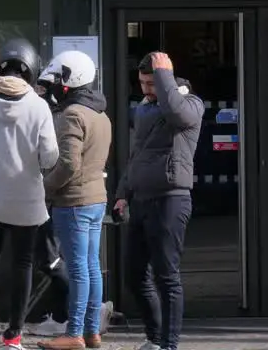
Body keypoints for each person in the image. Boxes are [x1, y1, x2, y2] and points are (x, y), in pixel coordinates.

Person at [0, 39, 60, 350]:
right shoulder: (39, 106)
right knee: (23, 265)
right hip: (28, 202)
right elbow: (50, 157)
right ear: (31, 70)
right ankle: (13, 337)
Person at [113, 52, 204, 350]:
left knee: (167, 276)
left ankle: (169, 344)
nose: (146, 89)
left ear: (166, 79)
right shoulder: (145, 108)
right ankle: (154, 337)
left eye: (152, 83)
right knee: (135, 274)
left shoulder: (190, 103)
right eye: (142, 83)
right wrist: (122, 194)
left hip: (170, 200)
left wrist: (165, 77)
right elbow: (137, 154)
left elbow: (177, 113)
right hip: (141, 198)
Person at [37, 50, 114, 350]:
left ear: (71, 81)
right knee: (92, 267)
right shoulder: (100, 113)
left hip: (74, 202)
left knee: (79, 268)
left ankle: (75, 333)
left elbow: (68, 164)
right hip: (96, 198)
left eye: (58, 81)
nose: (55, 88)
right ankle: (92, 331)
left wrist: (45, 188)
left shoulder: (72, 114)